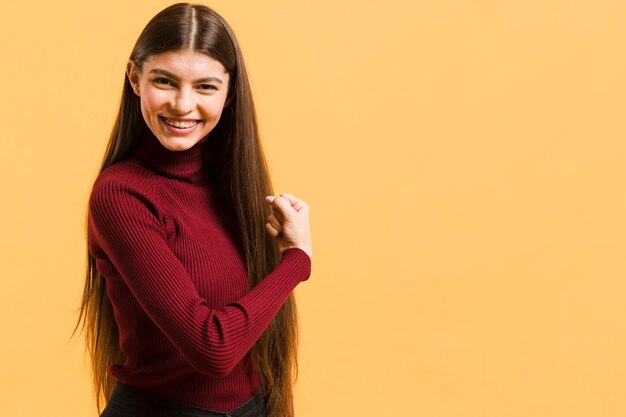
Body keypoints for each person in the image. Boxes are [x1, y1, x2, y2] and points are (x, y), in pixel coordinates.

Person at [74, 4, 312, 417]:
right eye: (164, 81)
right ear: (135, 78)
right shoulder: (120, 196)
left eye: (205, 87)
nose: (183, 105)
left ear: (230, 91)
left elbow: (258, 348)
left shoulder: (234, 182)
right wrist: (297, 260)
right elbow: (212, 348)